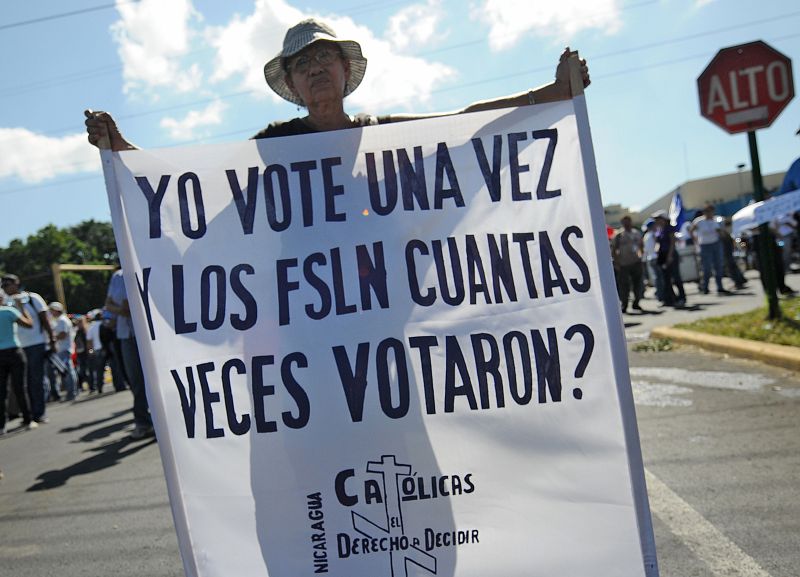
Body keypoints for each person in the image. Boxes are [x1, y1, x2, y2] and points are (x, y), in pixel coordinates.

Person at [86, 18, 590, 147]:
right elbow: (192, 188)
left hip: (387, 305)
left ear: (345, 71)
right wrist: (122, 150)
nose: (315, 69)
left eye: (324, 57)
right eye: (303, 65)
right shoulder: (273, 146)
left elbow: (462, 122)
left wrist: (552, 95)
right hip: (309, 322)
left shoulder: (381, 134)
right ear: (293, 85)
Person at [105, 269, 153, 440]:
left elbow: (125, 308)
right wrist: (120, 308)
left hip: (148, 333)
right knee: (135, 381)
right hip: (126, 335)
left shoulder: (140, 267)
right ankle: (144, 423)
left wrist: (116, 307)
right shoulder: (117, 276)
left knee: (155, 379)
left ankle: (159, 422)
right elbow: (112, 305)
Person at [1, 274, 55, 424]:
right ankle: (28, 414)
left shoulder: (32, 298)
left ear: (16, 283)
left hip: (36, 343)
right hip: (17, 347)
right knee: (20, 384)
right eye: (3, 285)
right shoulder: (5, 303)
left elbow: (44, 319)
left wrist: (52, 339)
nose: (5, 288)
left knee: (35, 379)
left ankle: (39, 413)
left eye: (8, 284)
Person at [1, 292, 36, 434]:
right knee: (20, 387)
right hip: (14, 352)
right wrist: (21, 307)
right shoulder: (9, 311)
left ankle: (1, 425)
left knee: (1, 391)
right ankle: (28, 419)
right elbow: (29, 324)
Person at [689, 204, 729, 295]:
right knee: (706, 268)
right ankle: (705, 287)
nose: (709, 213)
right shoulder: (699, 221)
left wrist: (722, 233)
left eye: (711, 211)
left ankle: (720, 287)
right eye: (707, 211)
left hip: (716, 244)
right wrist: (695, 240)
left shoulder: (715, 220)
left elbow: (721, 232)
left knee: (718, 266)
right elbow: (691, 231)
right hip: (704, 245)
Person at [47, 302, 79, 401]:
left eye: (52, 310)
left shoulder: (62, 320)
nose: (51, 312)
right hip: (63, 349)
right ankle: (72, 392)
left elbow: (62, 335)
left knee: (68, 371)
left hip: (64, 349)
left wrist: (52, 338)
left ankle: (72, 393)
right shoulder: (60, 320)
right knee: (67, 371)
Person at [653, 211, 686, 307]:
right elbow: (658, 242)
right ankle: (670, 299)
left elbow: (672, 243)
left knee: (676, 277)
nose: (657, 221)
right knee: (666, 279)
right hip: (662, 255)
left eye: (659, 219)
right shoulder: (659, 230)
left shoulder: (669, 229)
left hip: (670, 254)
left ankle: (682, 298)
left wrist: (670, 256)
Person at [611, 215, 643, 312]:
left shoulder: (636, 233)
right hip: (624, 264)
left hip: (636, 262)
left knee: (638, 284)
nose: (627, 223)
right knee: (624, 285)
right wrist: (617, 262)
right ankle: (624, 304)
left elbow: (641, 245)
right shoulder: (619, 235)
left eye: (628, 221)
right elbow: (613, 250)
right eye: (625, 222)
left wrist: (641, 256)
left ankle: (636, 302)